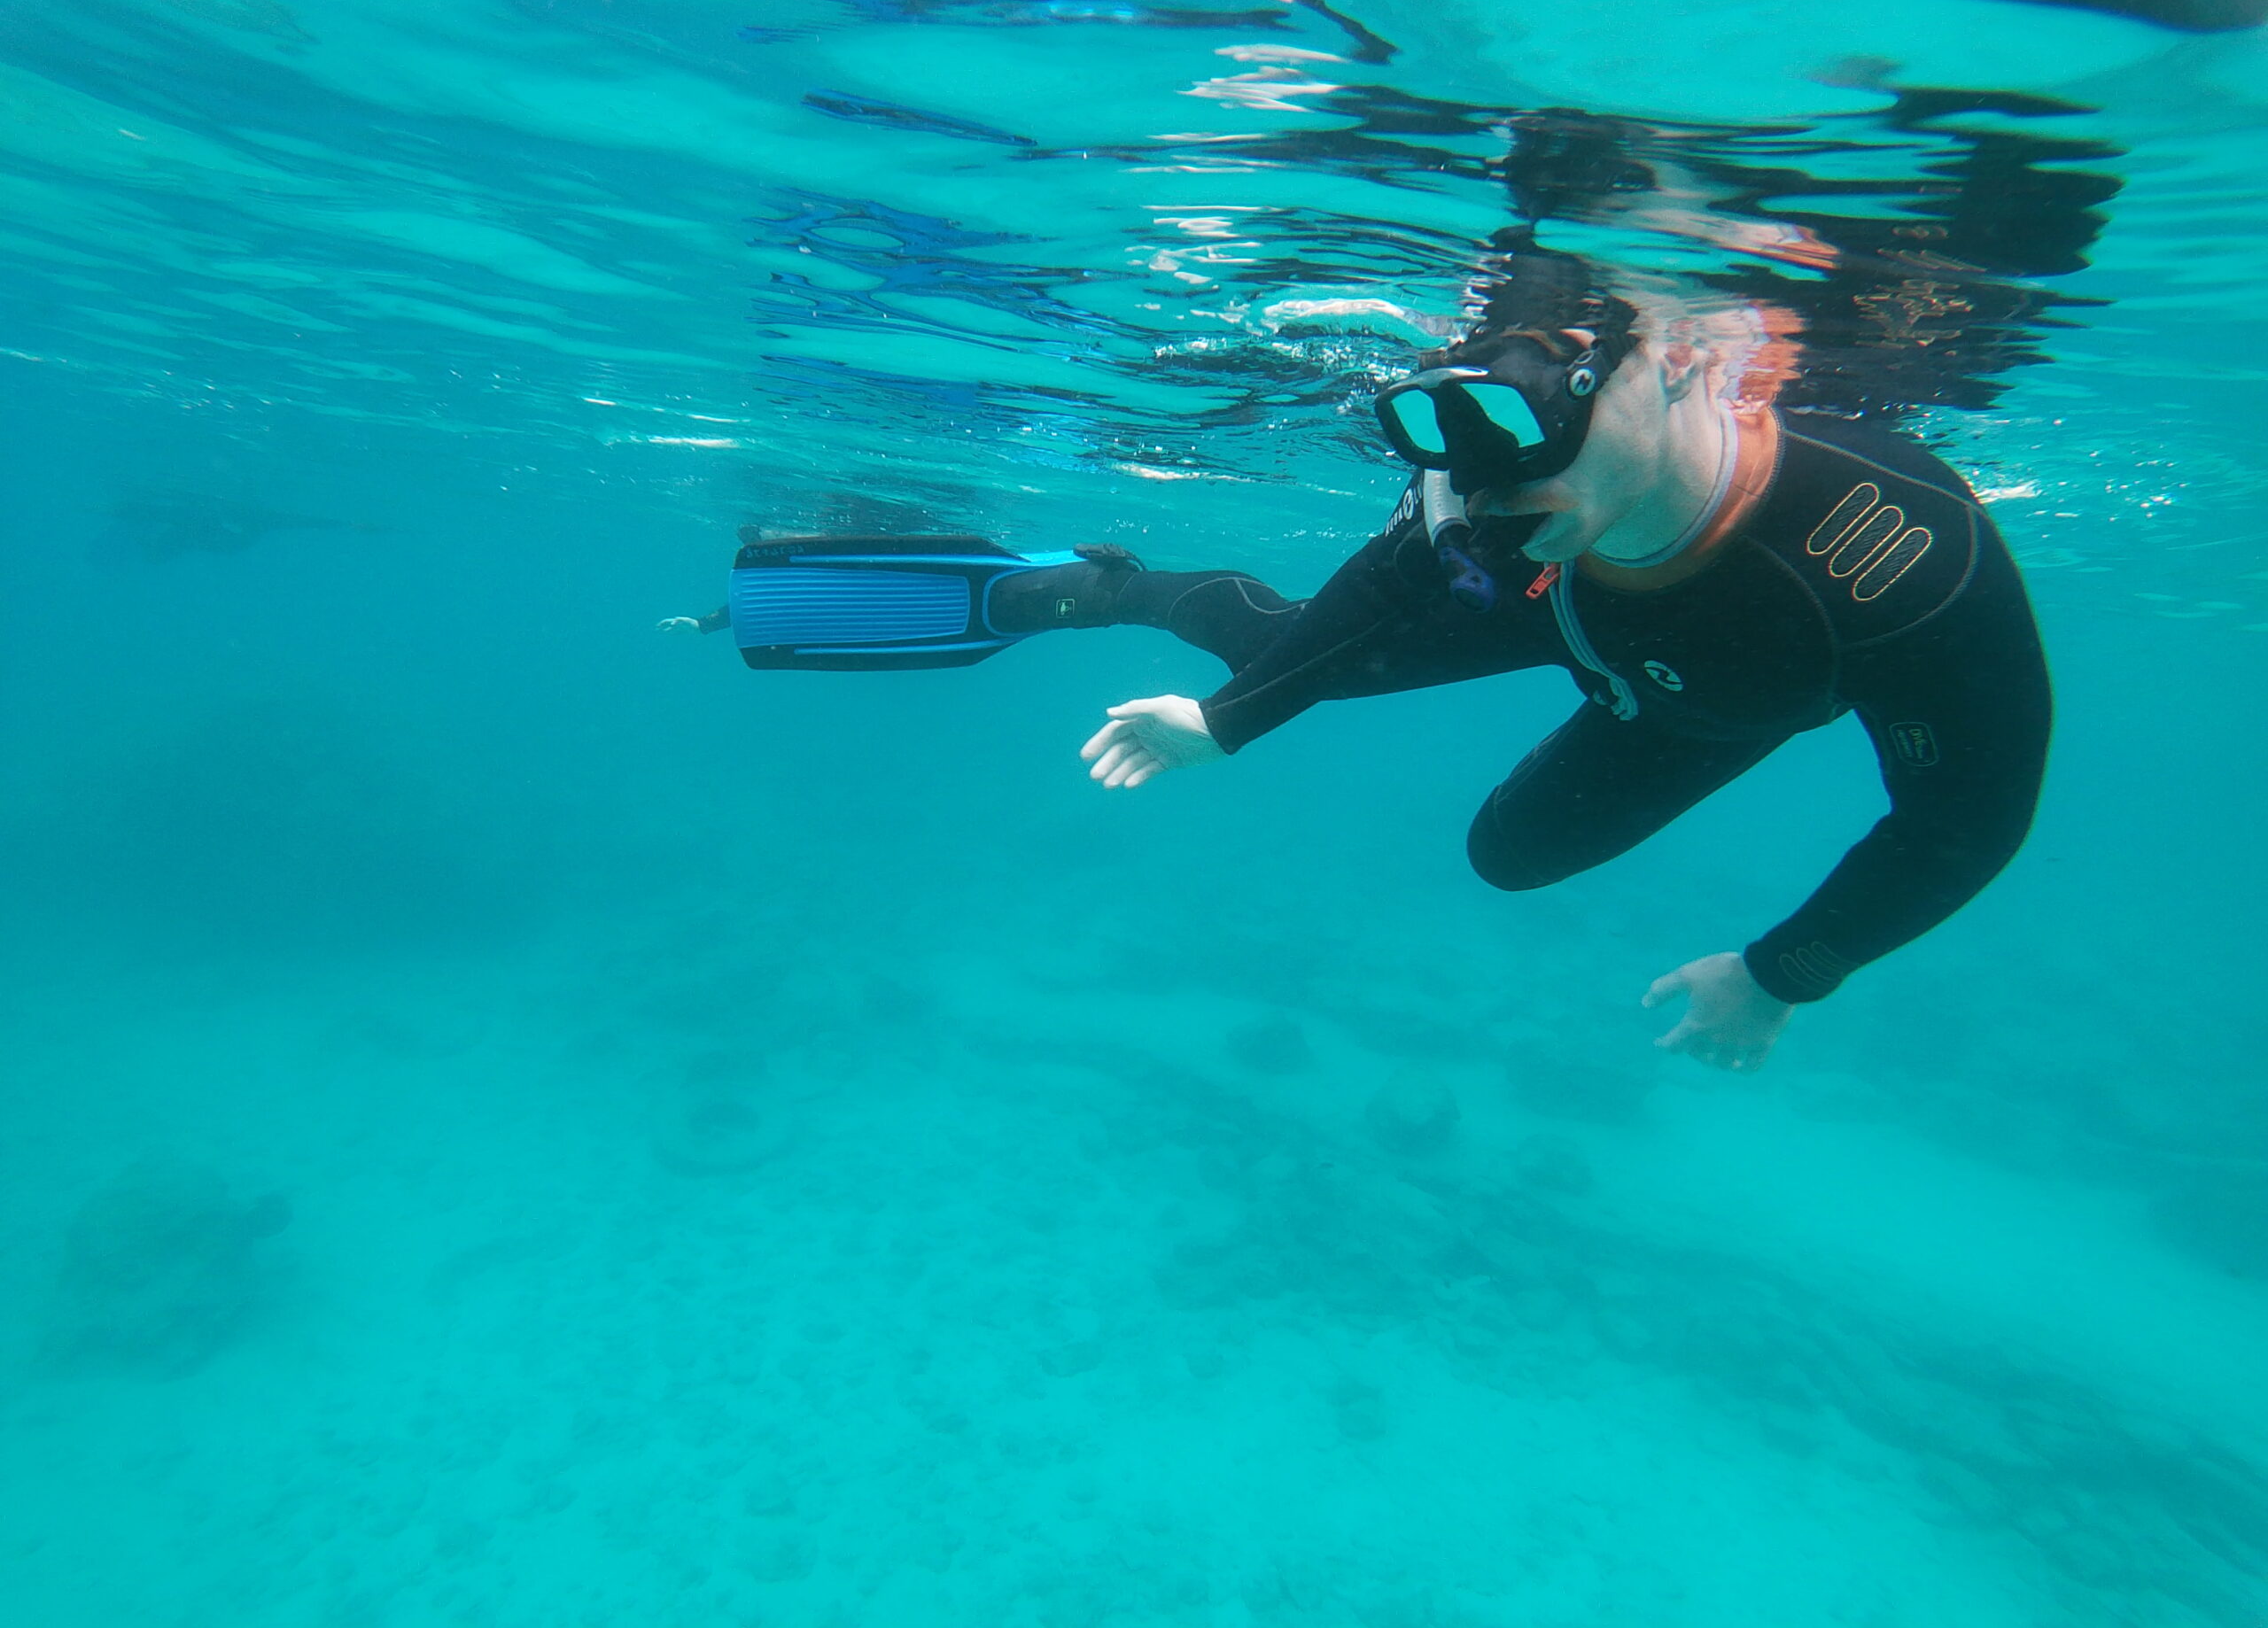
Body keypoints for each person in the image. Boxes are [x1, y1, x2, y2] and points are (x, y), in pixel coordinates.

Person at [668, 241, 2051, 1073]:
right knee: (1329, 684)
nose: (1485, 480)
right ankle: (1107, 588)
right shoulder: (1502, 493)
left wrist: (1779, 973)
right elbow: (1384, 586)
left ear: (1684, 362)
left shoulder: (1893, 548)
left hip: (1733, 691)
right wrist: (1227, 721)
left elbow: (1967, 818)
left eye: (1528, 420)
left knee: (1513, 855)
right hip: (1582, 615)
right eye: (1449, 435)